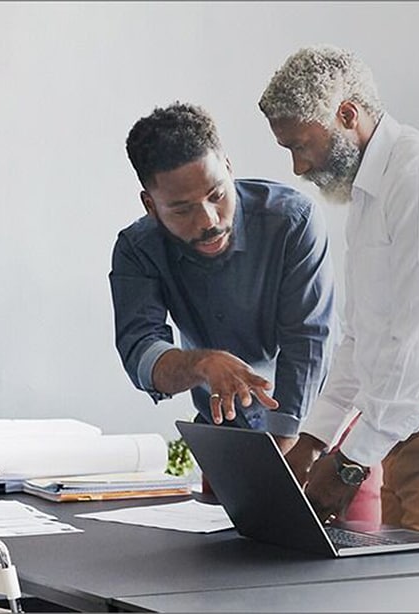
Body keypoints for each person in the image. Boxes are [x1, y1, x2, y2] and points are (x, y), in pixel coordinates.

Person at [258, 44, 419, 548]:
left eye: (301, 145)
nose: (296, 167)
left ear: (347, 114)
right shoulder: (367, 193)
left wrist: (349, 463)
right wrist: (312, 442)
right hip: (408, 434)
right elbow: (361, 342)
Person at [113, 103, 386, 521]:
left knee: (349, 578)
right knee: (224, 580)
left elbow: (307, 340)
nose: (208, 220)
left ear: (227, 165)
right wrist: (203, 364)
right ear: (150, 204)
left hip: (325, 443)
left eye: (217, 194)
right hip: (228, 449)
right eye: (182, 209)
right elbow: (140, 351)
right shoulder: (137, 249)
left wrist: (285, 452)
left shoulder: (291, 219)